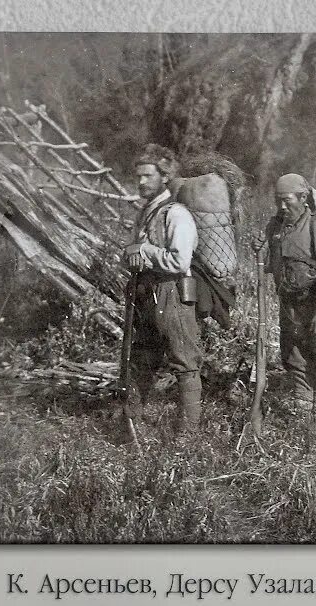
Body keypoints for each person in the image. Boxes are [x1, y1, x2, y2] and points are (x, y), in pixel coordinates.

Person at [122, 144, 204, 428]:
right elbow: (135, 252)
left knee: (184, 361)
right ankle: (133, 423)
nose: (142, 182)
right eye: (139, 177)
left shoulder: (176, 214)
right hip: (147, 293)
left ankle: (189, 433)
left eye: (148, 176)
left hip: (173, 293)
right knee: (143, 357)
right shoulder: (145, 213)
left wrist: (145, 251)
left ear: (165, 176)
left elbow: (180, 261)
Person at [264, 173, 316, 423]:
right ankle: (303, 413)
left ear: (302, 197)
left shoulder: (315, 226)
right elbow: (271, 264)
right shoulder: (275, 227)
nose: (282, 206)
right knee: (296, 357)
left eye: (287, 200)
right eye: (278, 201)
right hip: (290, 304)